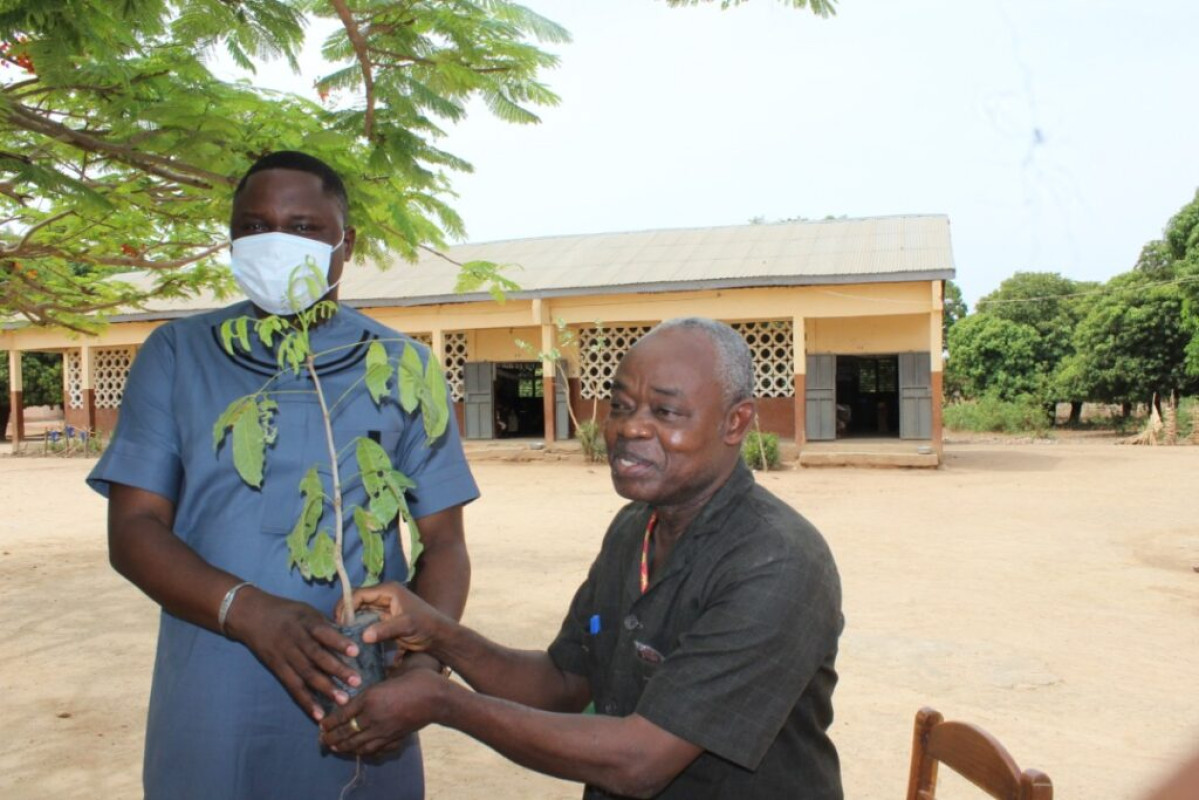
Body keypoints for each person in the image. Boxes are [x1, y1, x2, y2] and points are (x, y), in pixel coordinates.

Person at [87, 151, 479, 799]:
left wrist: (424, 666)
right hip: (212, 688)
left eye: (301, 227)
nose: (276, 244)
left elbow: (444, 543)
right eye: (254, 227)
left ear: (344, 244)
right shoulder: (178, 355)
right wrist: (247, 611)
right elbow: (133, 530)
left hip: (361, 692)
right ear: (233, 242)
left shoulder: (401, 366)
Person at [320, 317, 844, 799]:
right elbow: (562, 684)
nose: (629, 429)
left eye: (665, 411)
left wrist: (443, 702)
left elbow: (640, 761)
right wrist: (437, 633)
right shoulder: (636, 528)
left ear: (736, 422)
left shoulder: (777, 562)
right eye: (619, 406)